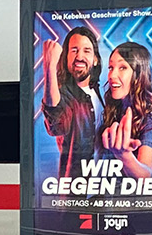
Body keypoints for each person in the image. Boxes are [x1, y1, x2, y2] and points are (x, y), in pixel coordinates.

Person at [40, 25, 104, 178]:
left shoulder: (99, 91)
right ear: (66, 58)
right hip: (76, 188)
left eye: (86, 51)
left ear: (95, 60)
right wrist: (49, 67)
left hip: (103, 186)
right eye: (74, 50)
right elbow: (56, 124)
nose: (79, 56)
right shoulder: (64, 96)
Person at [96, 42, 152, 180]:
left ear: (139, 74)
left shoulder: (150, 116)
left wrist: (123, 155)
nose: (112, 75)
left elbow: (145, 175)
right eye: (111, 67)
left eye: (122, 67)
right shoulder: (112, 108)